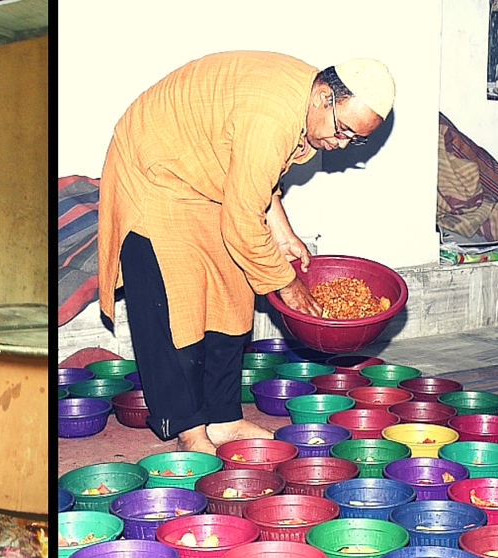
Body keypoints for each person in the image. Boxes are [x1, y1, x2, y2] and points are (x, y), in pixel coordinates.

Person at [97, 53, 395, 454]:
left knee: (232, 296)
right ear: (324, 96)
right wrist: (289, 286)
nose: (342, 145)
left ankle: (223, 419)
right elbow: (242, 219)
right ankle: (190, 430)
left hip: (205, 180)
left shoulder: (305, 103)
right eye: (343, 130)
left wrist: (282, 230)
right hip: (155, 174)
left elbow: (256, 176)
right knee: (178, 303)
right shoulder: (273, 116)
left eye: (354, 139)